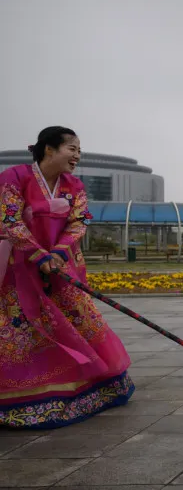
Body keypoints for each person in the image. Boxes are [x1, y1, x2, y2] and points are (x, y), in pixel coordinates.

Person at [1, 126, 135, 429]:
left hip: (61, 267)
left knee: (79, 318)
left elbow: (80, 222)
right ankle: (28, 395)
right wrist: (38, 255)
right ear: (49, 149)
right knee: (22, 328)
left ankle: (92, 384)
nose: (77, 155)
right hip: (18, 267)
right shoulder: (15, 178)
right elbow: (9, 220)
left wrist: (59, 254)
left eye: (79, 150)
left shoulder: (74, 185)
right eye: (72, 148)